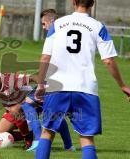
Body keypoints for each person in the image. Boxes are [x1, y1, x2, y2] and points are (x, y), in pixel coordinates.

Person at [35, 0, 130, 159]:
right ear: (93, 3)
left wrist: (40, 83)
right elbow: (108, 60)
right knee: (86, 138)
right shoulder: (98, 26)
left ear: (73, 1)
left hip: (57, 87)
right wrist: (123, 85)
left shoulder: (57, 24)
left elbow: (45, 56)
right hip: (85, 88)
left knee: (47, 133)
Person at [21, 8, 75, 152]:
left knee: (27, 104)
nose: (43, 28)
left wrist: (40, 83)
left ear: (51, 21)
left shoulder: (54, 34)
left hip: (54, 79)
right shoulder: (68, 33)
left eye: (44, 24)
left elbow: (46, 59)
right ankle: (69, 146)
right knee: (53, 111)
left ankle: (38, 140)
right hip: (67, 78)